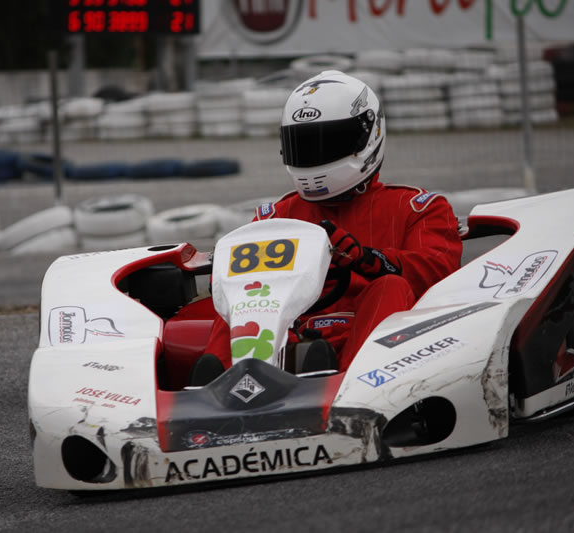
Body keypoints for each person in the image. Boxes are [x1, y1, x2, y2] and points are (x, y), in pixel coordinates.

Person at [189, 70, 462, 385]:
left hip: (379, 340)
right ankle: (219, 387)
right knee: (243, 296)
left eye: (326, 144)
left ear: (367, 137)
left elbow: (440, 270)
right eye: (302, 146)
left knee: (391, 286)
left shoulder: (417, 208)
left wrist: (371, 260)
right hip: (289, 337)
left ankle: (351, 386)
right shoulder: (276, 217)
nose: (313, 158)